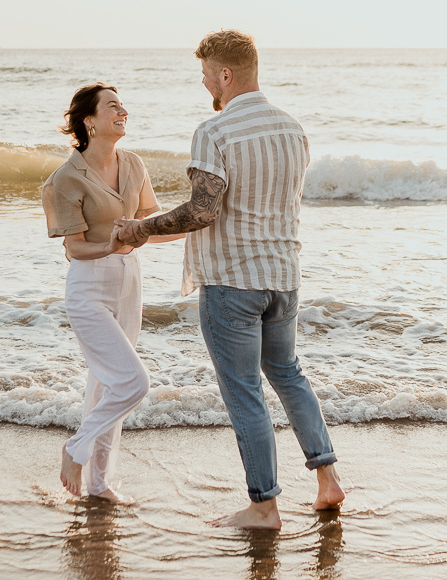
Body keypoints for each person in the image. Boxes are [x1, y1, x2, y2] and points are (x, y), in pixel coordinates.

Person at [115, 30, 345, 529]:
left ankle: (264, 506)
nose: (205, 87)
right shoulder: (293, 129)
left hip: (233, 281)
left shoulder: (214, 132)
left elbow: (202, 211)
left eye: (206, 76)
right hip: (284, 276)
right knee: (288, 374)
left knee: (243, 390)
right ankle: (328, 482)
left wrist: (137, 229)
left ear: (226, 74)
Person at [42, 83, 180, 502]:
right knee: (132, 382)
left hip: (130, 281)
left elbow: (149, 227)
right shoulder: (64, 179)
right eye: (112, 107)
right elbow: (73, 248)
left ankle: (99, 485)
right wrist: (111, 244)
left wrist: (200, 226)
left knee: (105, 386)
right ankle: (75, 448)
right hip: (89, 286)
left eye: (123, 106)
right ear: (89, 121)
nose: (123, 112)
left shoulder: (134, 164)